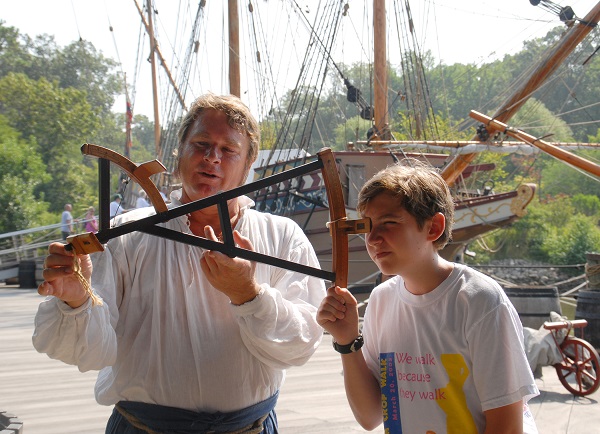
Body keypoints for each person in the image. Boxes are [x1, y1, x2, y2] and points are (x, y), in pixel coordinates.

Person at [33, 93, 326, 433]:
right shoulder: (127, 236)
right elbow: (88, 353)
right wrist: (76, 300)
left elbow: (300, 346)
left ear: (248, 166)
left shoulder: (282, 237)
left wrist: (249, 295)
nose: (212, 158)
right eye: (201, 144)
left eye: (228, 150)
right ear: (179, 155)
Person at [317, 159, 539, 433]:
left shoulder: (478, 300)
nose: (373, 238)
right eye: (368, 226)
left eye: (389, 223)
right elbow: (371, 416)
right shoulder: (380, 300)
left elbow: (507, 427)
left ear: (433, 227)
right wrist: (347, 341)